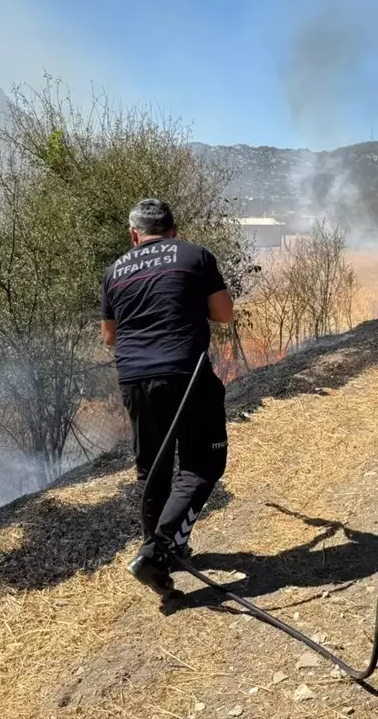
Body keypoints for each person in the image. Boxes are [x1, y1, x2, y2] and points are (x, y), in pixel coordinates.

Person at [100, 198, 235, 597]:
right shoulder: (194, 255)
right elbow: (224, 312)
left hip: (134, 379)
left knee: (152, 469)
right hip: (185, 374)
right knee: (202, 465)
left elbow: (111, 337)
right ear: (174, 230)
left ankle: (162, 555)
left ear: (134, 234)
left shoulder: (115, 271)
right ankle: (157, 552)